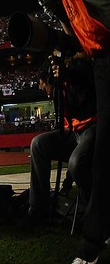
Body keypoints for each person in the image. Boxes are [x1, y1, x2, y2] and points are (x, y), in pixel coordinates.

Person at [0, 0, 109, 261]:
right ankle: (65, 225)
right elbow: (69, 17)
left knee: (103, 149)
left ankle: (92, 244)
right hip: (101, 48)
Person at [27, 56, 96, 225]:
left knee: (76, 162)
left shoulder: (77, 73)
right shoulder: (59, 90)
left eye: (44, 87)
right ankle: (38, 208)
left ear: (48, 78)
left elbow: (88, 83)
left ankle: (95, 213)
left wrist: (69, 77)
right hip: (72, 133)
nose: (46, 93)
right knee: (38, 144)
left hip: (92, 127)